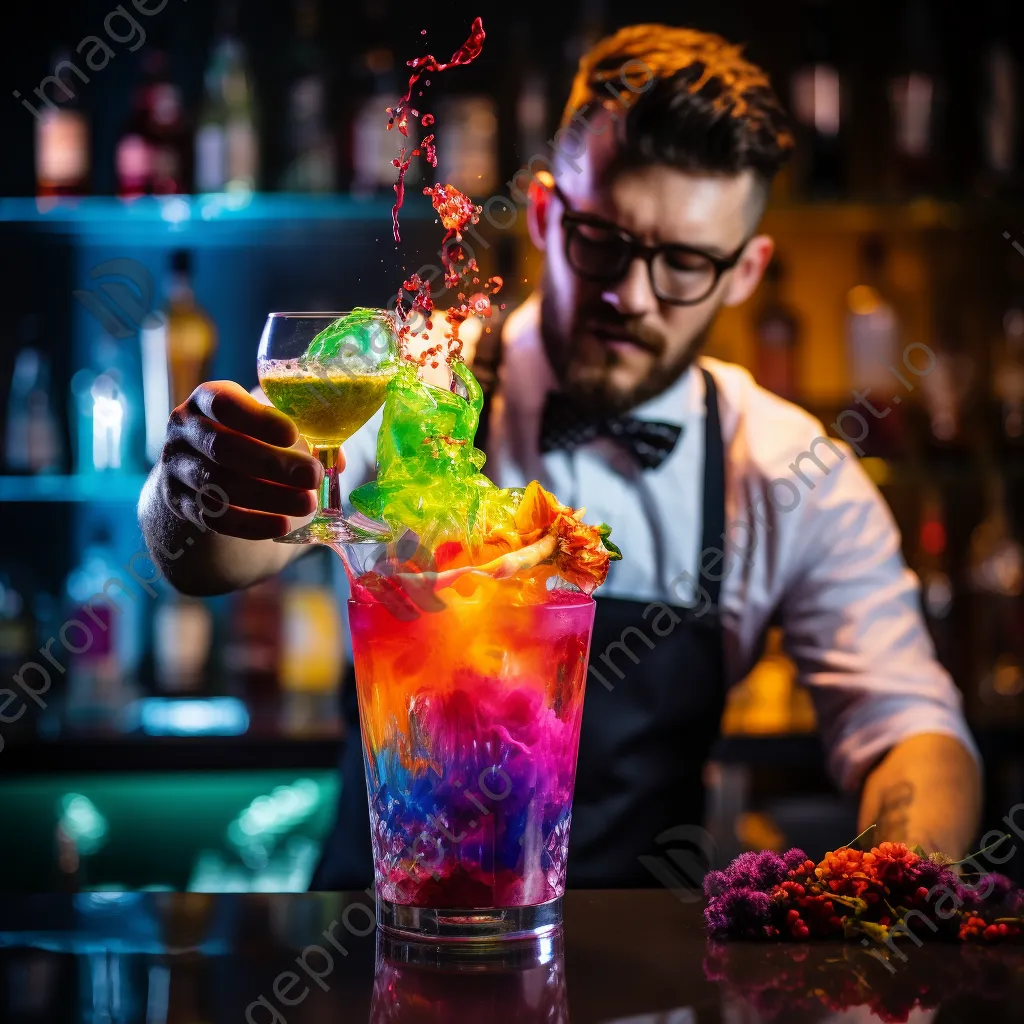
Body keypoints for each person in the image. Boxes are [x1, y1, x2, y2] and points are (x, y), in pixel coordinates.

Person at [139, 25, 982, 888]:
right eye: (604, 242)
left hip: (642, 983)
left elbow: (913, 727)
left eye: (686, 263)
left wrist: (892, 901)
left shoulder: (786, 469)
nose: (633, 295)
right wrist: (197, 491)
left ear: (745, 272)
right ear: (545, 213)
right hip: (372, 949)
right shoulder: (420, 383)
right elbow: (210, 556)